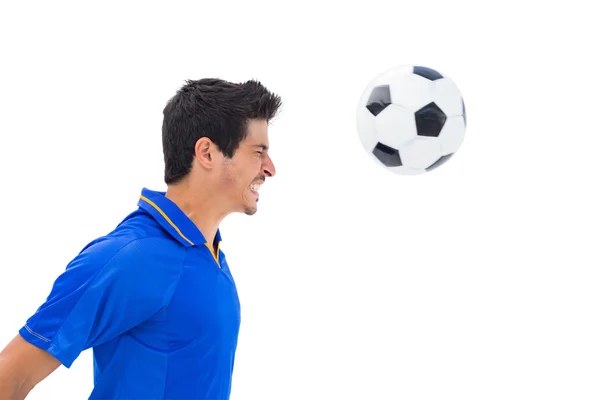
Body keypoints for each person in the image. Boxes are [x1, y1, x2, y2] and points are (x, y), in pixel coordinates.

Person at [0, 78, 282, 399]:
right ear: (207, 152)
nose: (270, 168)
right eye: (258, 152)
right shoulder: (132, 255)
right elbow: (11, 377)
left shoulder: (209, 252)